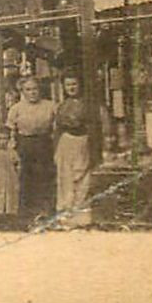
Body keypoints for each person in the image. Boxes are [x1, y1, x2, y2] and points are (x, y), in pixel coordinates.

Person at [6, 74, 56, 222]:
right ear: (22, 91)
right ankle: (26, 213)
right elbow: (10, 129)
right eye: (28, 89)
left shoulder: (50, 105)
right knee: (26, 178)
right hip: (24, 145)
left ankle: (46, 211)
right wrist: (12, 148)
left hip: (45, 144)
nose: (32, 92)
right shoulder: (16, 109)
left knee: (45, 177)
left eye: (35, 89)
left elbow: (56, 127)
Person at [53, 74, 97, 228]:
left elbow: (93, 126)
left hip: (82, 141)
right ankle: (65, 215)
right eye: (68, 85)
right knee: (65, 179)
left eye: (74, 84)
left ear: (80, 85)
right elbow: (58, 128)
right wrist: (57, 149)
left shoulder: (88, 105)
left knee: (82, 177)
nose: (71, 88)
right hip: (66, 142)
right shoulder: (62, 105)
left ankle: (81, 217)